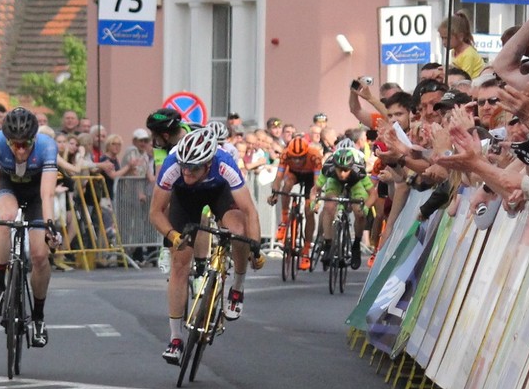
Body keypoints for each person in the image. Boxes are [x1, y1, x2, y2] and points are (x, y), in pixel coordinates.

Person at [147, 127, 263, 365]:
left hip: (218, 193)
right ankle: (176, 338)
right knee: (179, 264)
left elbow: (250, 211)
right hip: (184, 199)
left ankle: (237, 287)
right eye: (185, 166)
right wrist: (173, 235)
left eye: (195, 167)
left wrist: (256, 248)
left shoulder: (224, 164)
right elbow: (155, 213)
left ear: (208, 163)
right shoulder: (173, 165)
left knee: (239, 232)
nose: (188, 172)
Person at [0, 107, 62, 347]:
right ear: (7, 140)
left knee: (41, 256)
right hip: (6, 186)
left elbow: (47, 193)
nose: (20, 149)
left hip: (36, 195)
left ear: (34, 138)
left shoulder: (47, 146)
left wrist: (50, 226)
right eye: (15, 144)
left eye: (25, 144)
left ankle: (39, 318)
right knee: (7, 217)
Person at [268, 136, 324, 270]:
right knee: (286, 185)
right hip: (294, 174)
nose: (297, 161)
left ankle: (306, 250)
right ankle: (284, 219)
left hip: (311, 176)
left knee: (308, 211)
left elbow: (317, 184)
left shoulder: (314, 156)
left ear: (306, 154)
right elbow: (278, 178)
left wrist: (314, 200)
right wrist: (275, 194)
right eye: (294, 158)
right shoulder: (285, 154)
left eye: (301, 158)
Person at [315, 148, 371, 270]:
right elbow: (316, 189)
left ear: (351, 167)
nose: (342, 173)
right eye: (339, 169)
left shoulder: (358, 171)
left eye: (345, 170)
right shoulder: (328, 168)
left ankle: (356, 245)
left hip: (355, 183)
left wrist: (365, 207)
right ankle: (328, 244)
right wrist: (314, 203)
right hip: (334, 182)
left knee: (359, 212)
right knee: (329, 207)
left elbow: (373, 194)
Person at [439, 11, 486, 79]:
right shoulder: (454, 52)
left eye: (447, 38)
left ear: (460, 37)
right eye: (442, 38)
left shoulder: (468, 55)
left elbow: (464, 78)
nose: (444, 42)